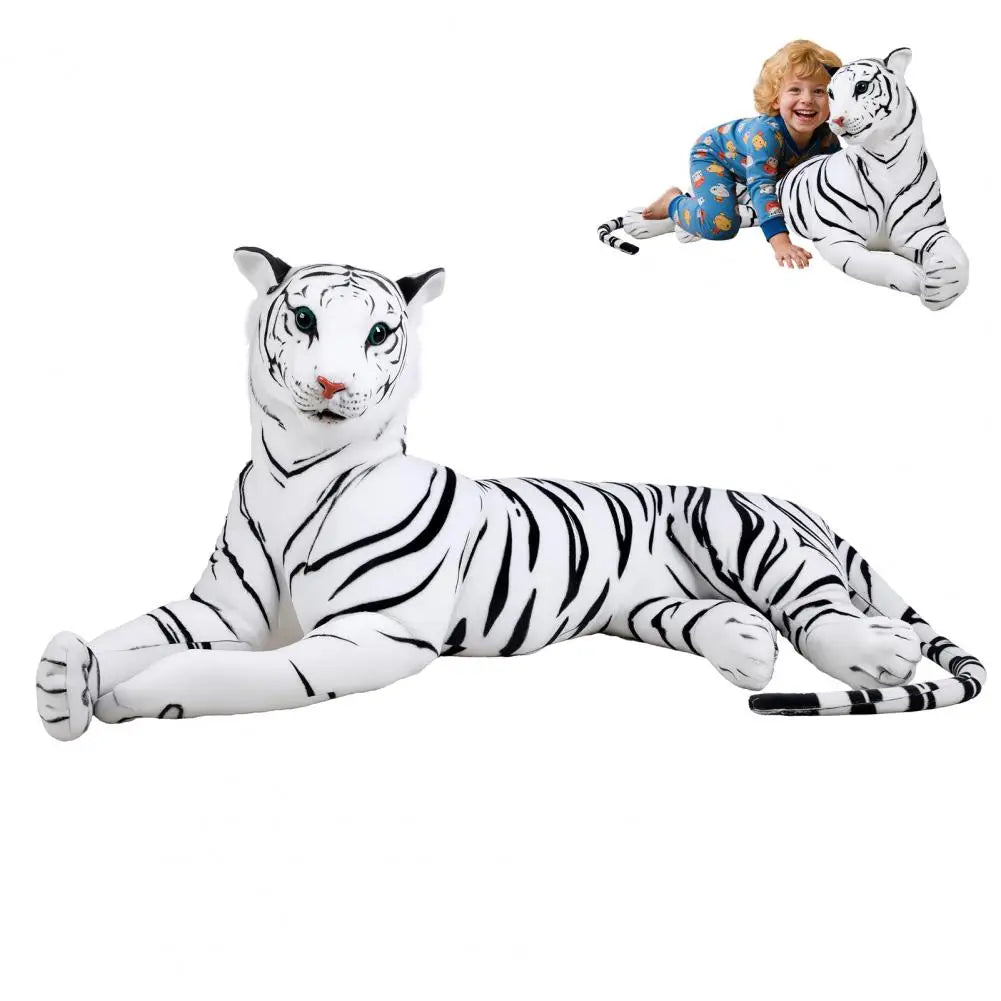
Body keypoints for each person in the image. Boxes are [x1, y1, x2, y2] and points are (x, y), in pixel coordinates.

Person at [640, 40, 841, 268]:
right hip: (714, 156)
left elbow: (837, 176)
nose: (807, 99)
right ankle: (673, 202)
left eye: (819, 91)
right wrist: (781, 243)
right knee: (720, 226)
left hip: (748, 168)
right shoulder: (766, 134)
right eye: (795, 89)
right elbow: (762, 186)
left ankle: (720, 199)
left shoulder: (827, 136)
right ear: (776, 98)